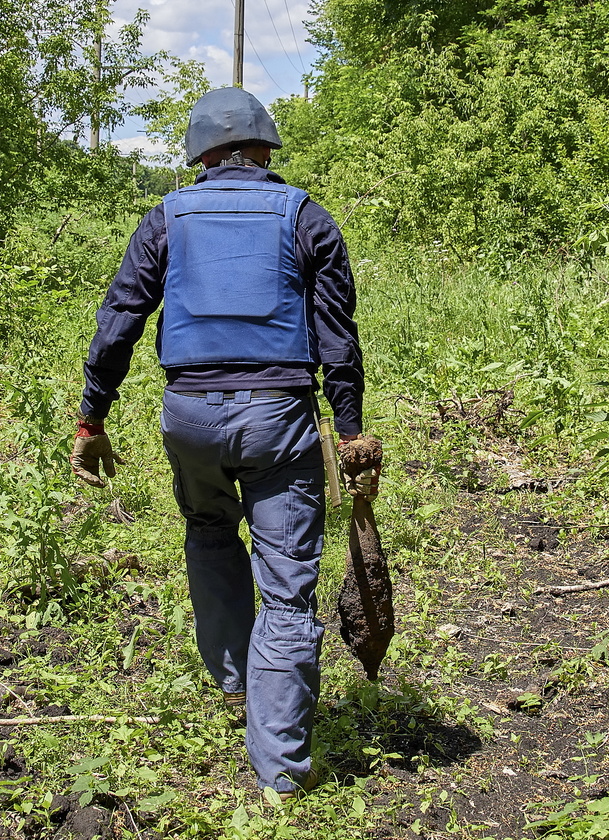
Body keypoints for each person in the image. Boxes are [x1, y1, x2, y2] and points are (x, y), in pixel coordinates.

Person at [69, 87, 375, 800]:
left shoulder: (165, 218)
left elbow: (119, 320)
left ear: (199, 155)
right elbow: (339, 336)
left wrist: (91, 419)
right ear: (266, 149)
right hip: (278, 420)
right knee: (288, 588)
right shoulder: (306, 216)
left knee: (209, 532)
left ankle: (238, 686)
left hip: (191, 418)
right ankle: (279, 774)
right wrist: (352, 429)